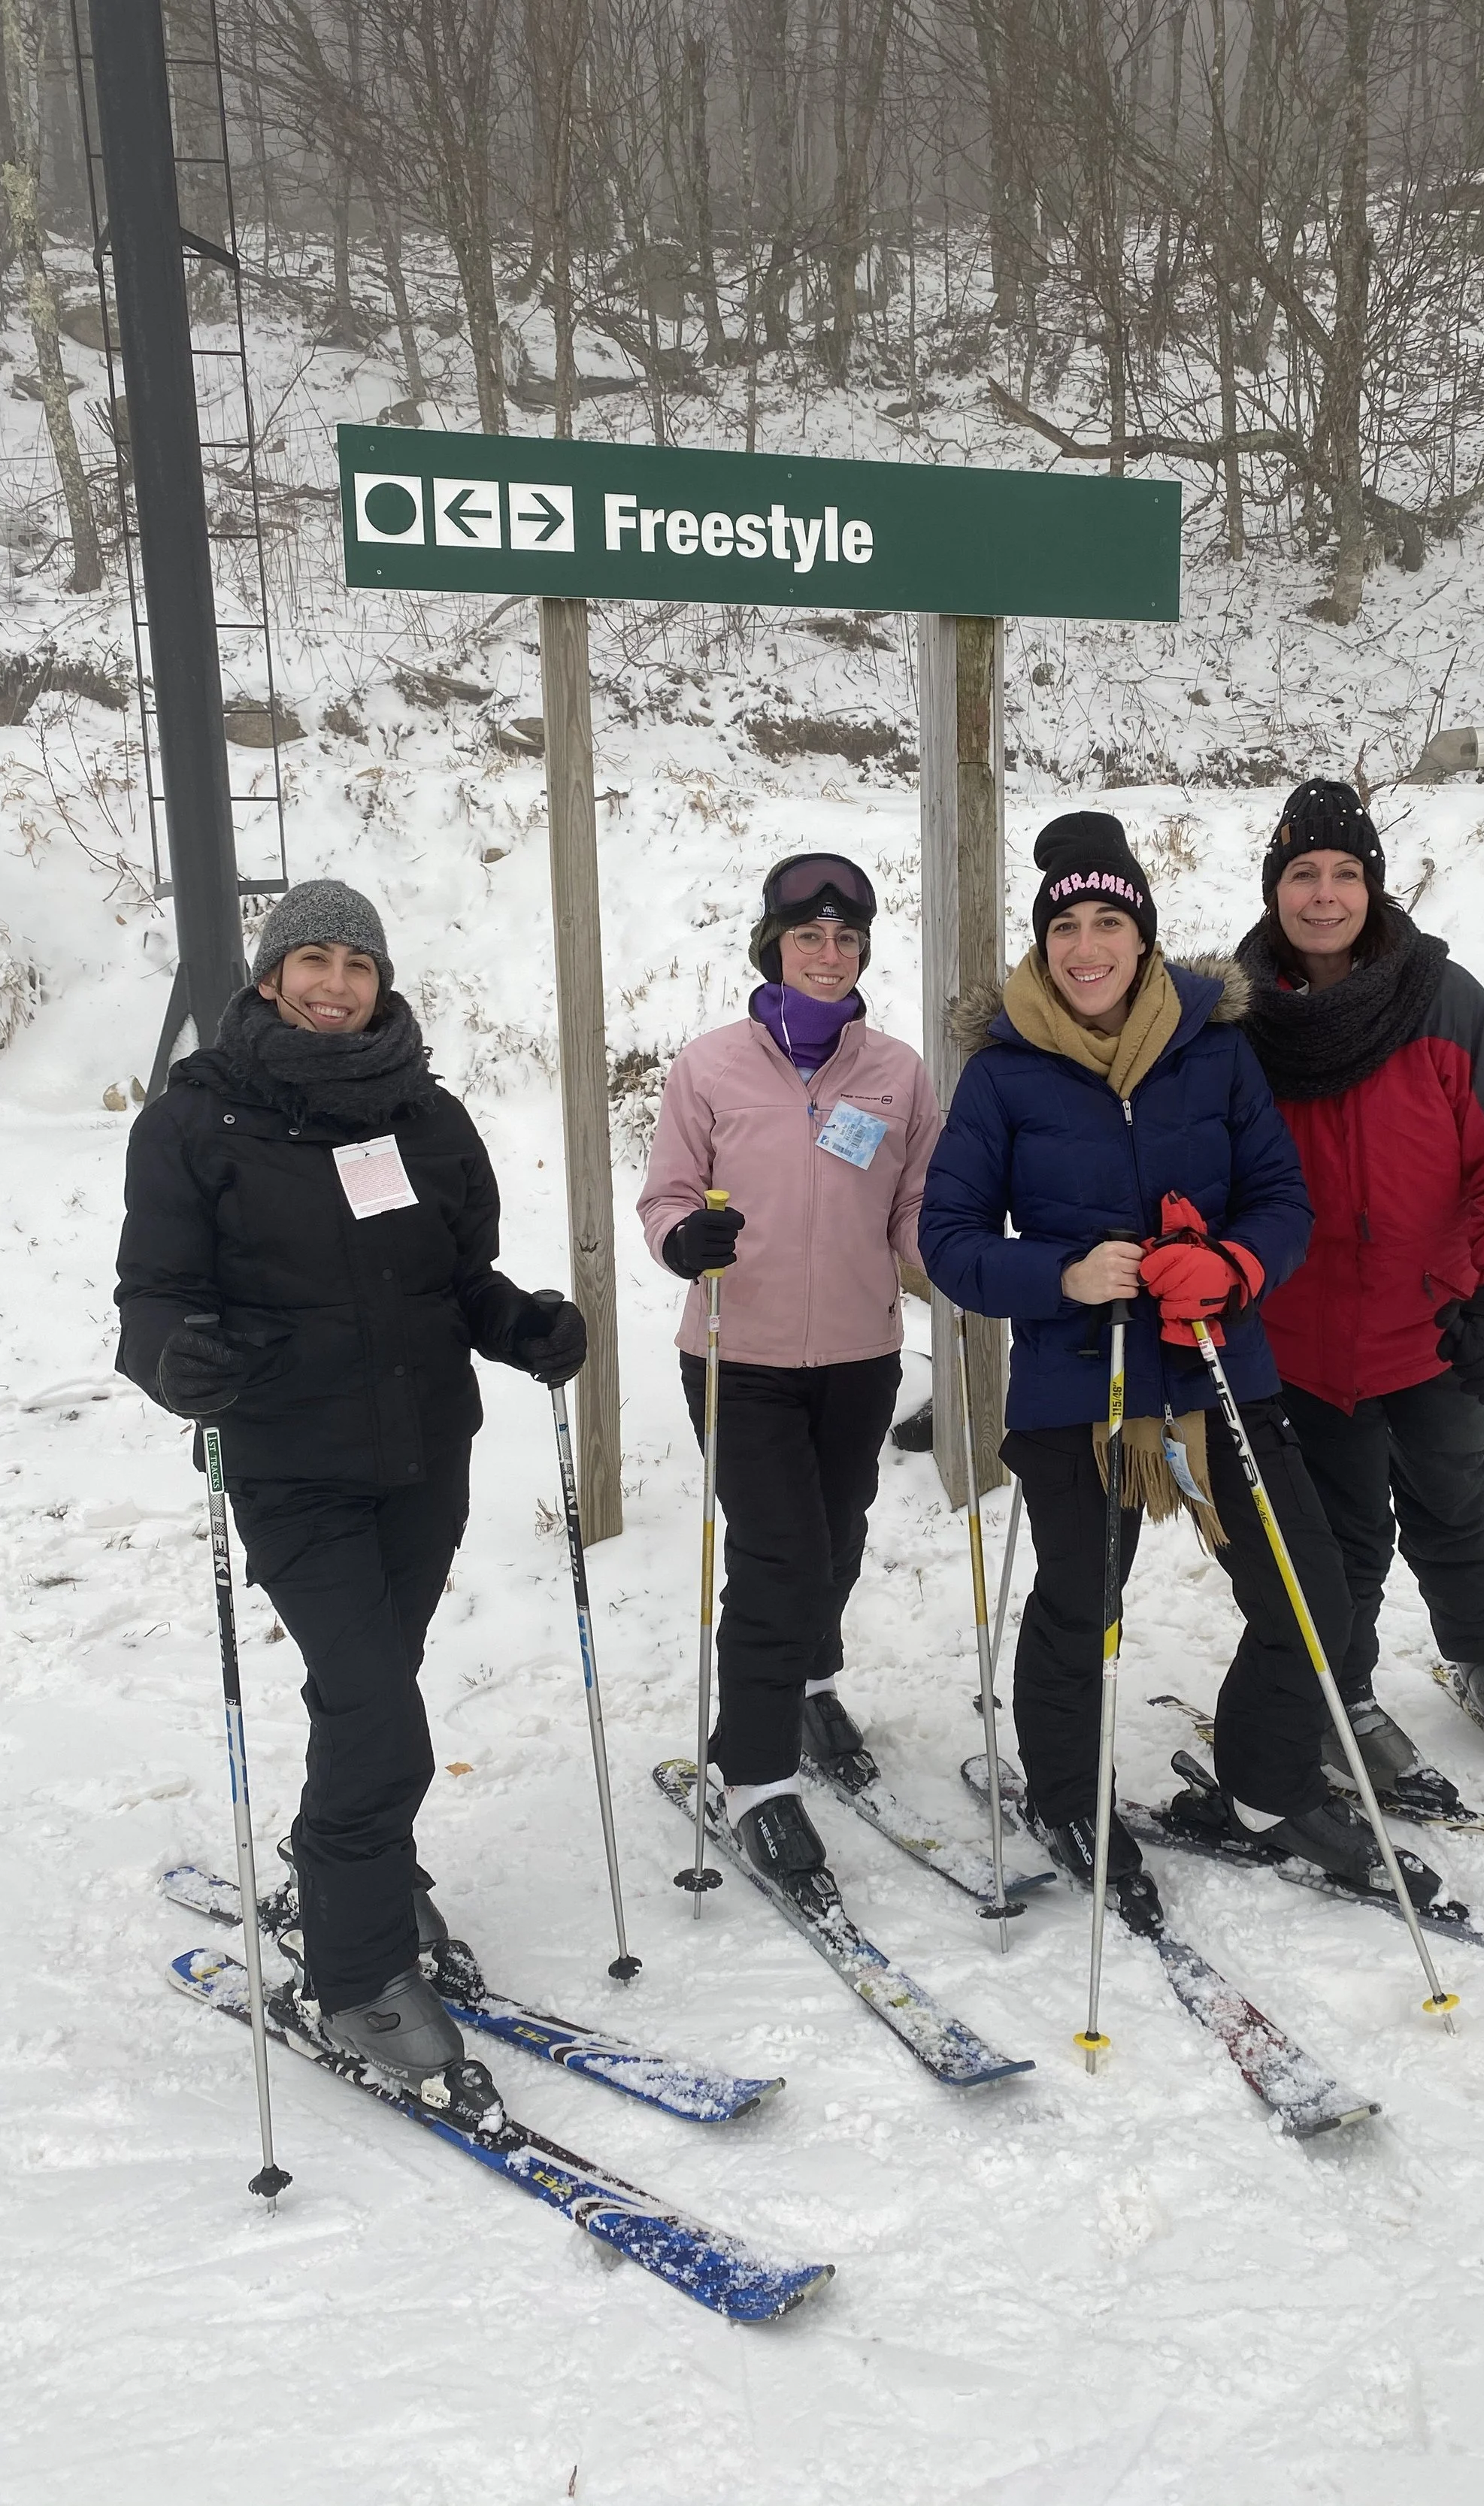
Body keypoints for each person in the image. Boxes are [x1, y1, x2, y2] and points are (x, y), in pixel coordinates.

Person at [115, 881, 585, 2127]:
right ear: (271, 977)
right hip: (291, 1462)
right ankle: (358, 1974)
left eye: (356, 965)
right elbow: (151, 1298)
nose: (333, 983)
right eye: (309, 959)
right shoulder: (197, 1122)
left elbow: (459, 1279)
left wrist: (524, 1326)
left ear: (382, 984)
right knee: (380, 1713)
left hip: (426, 1459)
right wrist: (175, 1364)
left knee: (372, 1687)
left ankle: (357, 1867)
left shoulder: (423, 1117)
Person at [918, 812, 1442, 1928]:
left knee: (1311, 1593)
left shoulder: (1216, 1045)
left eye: (1111, 921)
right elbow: (949, 1241)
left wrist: (1234, 1264)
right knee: (1080, 1607)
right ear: (1043, 942)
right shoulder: (1003, 1070)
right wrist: (1063, 1274)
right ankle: (1066, 1797)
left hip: (1214, 1372)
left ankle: (1266, 1784)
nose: (1088, 947)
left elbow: (1282, 1202)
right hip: (1079, 1384)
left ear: (1144, 937)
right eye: (1068, 926)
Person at [1236, 779, 1484, 1795]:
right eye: (1302, 875)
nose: (1324, 896)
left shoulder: (1444, 1002)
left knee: (1456, 1504)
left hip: (1434, 1326)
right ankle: (1346, 1696)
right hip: (1300, 1340)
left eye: (1344, 874)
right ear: (1275, 889)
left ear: (1372, 886)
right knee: (1339, 1542)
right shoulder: (1238, 1020)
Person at [637, 853, 940, 1913]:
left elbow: (910, 1204)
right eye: (807, 937)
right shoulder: (710, 1067)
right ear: (772, 946)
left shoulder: (895, 1072)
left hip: (859, 1352)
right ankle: (753, 1766)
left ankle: (812, 1684)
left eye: (846, 939)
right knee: (779, 1555)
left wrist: (939, 1254)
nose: (827, 955)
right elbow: (665, 1195)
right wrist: (687, 1240)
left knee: (841, 1533)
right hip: (739, 1352)